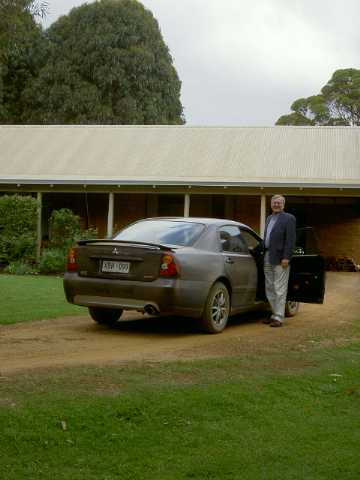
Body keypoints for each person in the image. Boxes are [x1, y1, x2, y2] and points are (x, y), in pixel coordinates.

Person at [263, 194, 296, 327]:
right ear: (271, 204)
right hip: (267, 256)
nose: (276, 205)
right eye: (274, 202)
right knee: (269, 287)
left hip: (281, 258)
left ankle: (279, 317)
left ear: (283, 204)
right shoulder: (269, 218)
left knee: (279, 288)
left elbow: (290, 240)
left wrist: (286, 257)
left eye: (279, 203)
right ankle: (273, 314)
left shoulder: (289, 218)